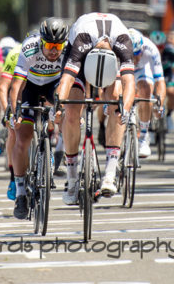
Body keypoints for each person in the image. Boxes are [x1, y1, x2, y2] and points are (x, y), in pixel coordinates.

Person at [56, 12, 136, 204]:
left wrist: (124, 109)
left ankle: (110, 171)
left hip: (110, 61)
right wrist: (59, 105)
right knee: (72, 111)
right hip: (81, 59)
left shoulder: (123, 40)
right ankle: (73, 175)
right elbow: (67, 79)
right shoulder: (82, 39)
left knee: (117, 100)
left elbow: (129, 83)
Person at [9, 18, 68, 219]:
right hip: (30, 87)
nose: (54, 51)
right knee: (23, 138)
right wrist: (14, 111)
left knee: (63, 109)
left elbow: (69, 82)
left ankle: (59, 156)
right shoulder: (30, 47)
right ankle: (20, 193)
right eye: (50, 46)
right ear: (41, 41)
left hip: (54, 85)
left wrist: (61, 108)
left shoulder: (67, 51)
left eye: (58, 46)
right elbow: (17, 84)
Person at [128, 28, 166, 159]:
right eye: (131, 55)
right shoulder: (118, 47)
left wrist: (159, 104)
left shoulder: (151, 49)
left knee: (146, 90)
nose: (134, 59)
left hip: (143, 70)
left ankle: (143, 137)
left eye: (137, 54)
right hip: (122, 68)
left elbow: (160, 81)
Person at [0, 39, 22, 200]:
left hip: (38, 90)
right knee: (13, 131)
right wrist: (7, 110)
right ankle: (13, 177)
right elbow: (3, 87)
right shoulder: (14, 55)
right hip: (16, 92)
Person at [150, 30, 174, 131]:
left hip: (166, 73)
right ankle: (150, 125)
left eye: (161, 47)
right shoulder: (147, 50)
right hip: (151, 73)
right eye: (156, 47)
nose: (158, 50)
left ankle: (168, 115)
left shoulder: (170, 51)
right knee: (149, 95)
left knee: (172, 92)